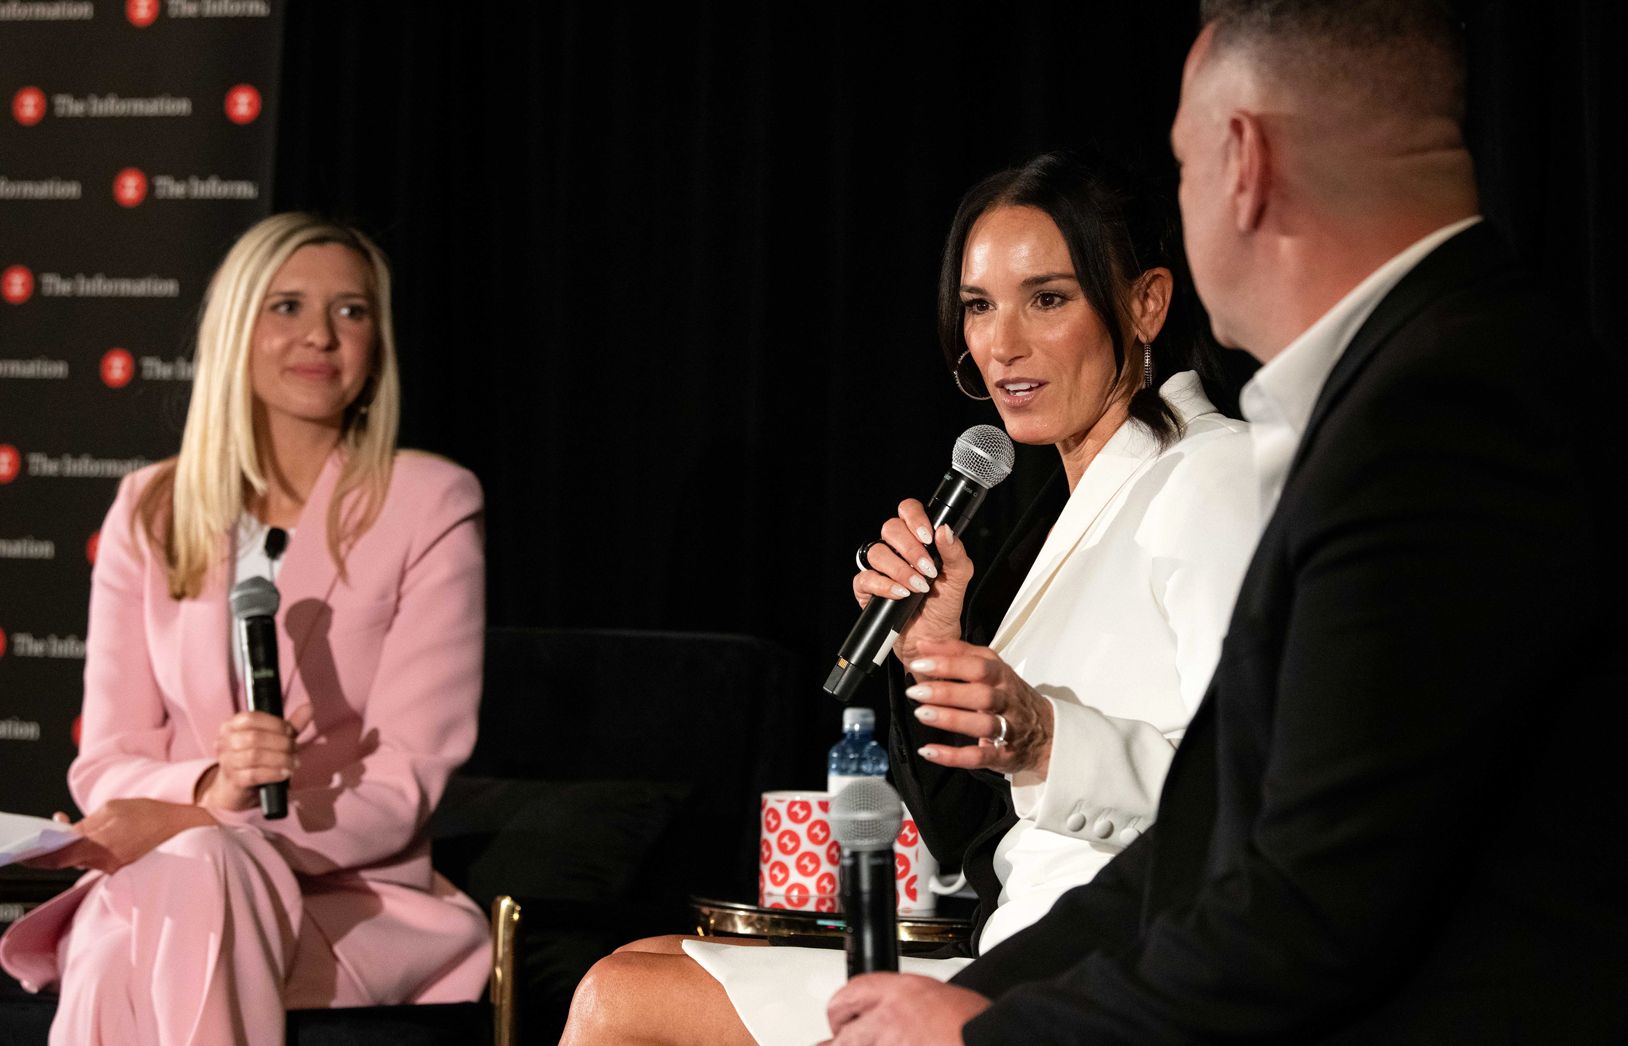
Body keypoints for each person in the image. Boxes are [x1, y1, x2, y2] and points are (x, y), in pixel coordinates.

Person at [819, 1, 1628, 1043]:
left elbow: (1311, 908)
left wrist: (984, 1033)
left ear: (1241, 161)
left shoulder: (1451, 415)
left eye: (1180, 170)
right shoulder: (1429, 383)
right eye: (978, 307)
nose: (1000, 342)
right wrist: (985, 999)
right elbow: (1218, 839)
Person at [555, 153, 1260, 1046]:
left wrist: (1045, 735)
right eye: (978, 305)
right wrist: (931, 649)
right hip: (1010, 938)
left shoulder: (1213, 477)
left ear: (1146, 302)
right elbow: (973, 836)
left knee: (623, 1003)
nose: (1001, 344)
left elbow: (1249, 797)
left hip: (1113, 966)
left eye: (1046, 298)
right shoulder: (1063, 512)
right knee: (644, 962)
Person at [0, 213, 493, 1045]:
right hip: (171, 879)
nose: (322, 336)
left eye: (352, 311)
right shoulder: (151, 508)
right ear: (236, 330)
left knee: (168, 898)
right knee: (185, 880)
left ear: (377, 344)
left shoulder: (430, 504)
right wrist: (209, 793)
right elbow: (109, 760)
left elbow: (404, 781)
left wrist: (196, 823)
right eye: (288, 306)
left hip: (347, 895)